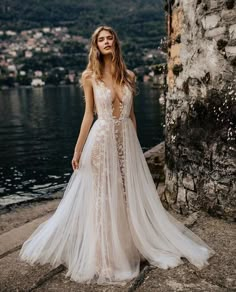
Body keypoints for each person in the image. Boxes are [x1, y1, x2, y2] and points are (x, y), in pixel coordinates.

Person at [19, 25, 215, 286]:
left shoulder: (130, 76)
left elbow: (132, 117)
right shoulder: (90, 76)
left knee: (125, 194)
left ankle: (128, 246)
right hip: (100, 141)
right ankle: (104, 256)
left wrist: (135, 149)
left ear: (116, 43)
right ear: (96, 46)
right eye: (101, 39)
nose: (107, 41)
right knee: (103, 195)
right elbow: (89, 115)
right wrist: (77, 150)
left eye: (110, 37)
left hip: (126, 141)